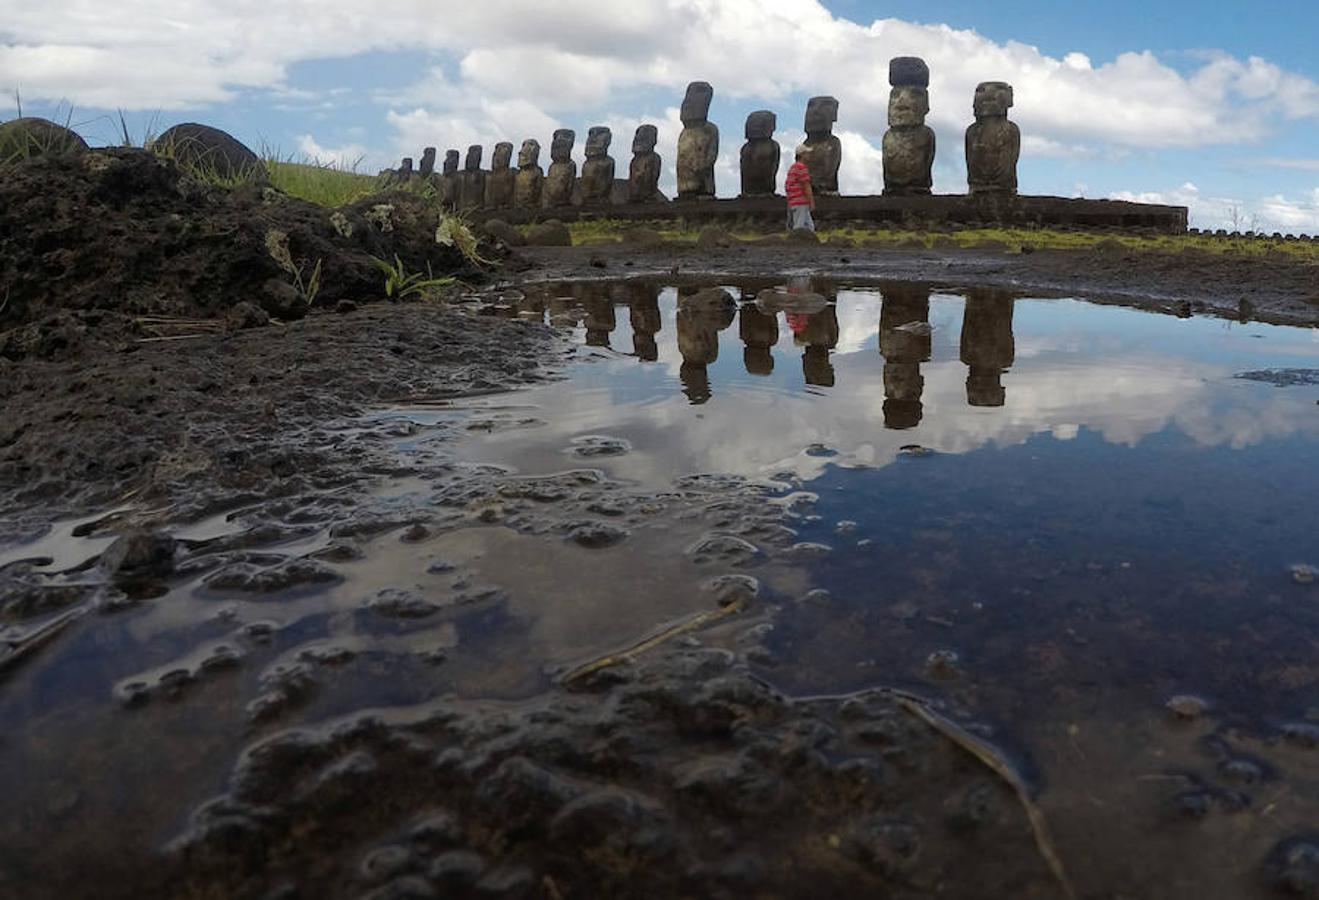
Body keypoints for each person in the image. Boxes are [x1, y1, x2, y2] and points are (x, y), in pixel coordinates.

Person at [784, 145, 816, 232]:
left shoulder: (793, 167)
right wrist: (811, 201)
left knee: (810, 227)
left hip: (794, 201)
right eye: (807, 153)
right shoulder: (801, 167)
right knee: (799, 227)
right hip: (800, 201)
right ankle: (794, 244)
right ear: (802, 155)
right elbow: (806, 186)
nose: (809, 155)